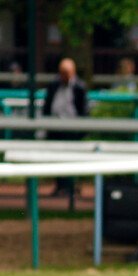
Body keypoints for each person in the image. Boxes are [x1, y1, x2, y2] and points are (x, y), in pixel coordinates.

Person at [43, 58, 88, 196]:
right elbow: (47, 105)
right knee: (56, 158)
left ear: (73, 72)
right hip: (56, 127)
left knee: (71, 158)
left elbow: (84, 110)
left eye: (66, 73)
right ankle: (60, 186)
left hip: (72, 128)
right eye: (62, 73)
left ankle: (71, 186)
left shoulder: (80, 86)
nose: (64, 76)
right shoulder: (53, 84)